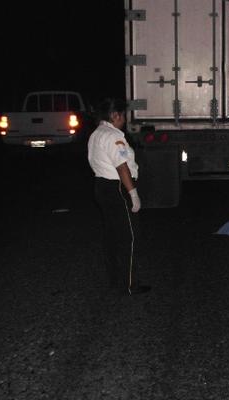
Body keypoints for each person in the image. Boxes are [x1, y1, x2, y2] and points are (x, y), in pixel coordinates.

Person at [87, 98, 150, 295]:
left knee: (112, 236)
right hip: (118, 188)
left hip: (101, 186)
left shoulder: (96, 134)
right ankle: (131, 284)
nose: (124, 119)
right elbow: (122, 167)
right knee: (130, 237)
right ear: (115, 115)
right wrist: (133, 194)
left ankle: (116, 281)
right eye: (122, 115)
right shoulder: (113, 136)